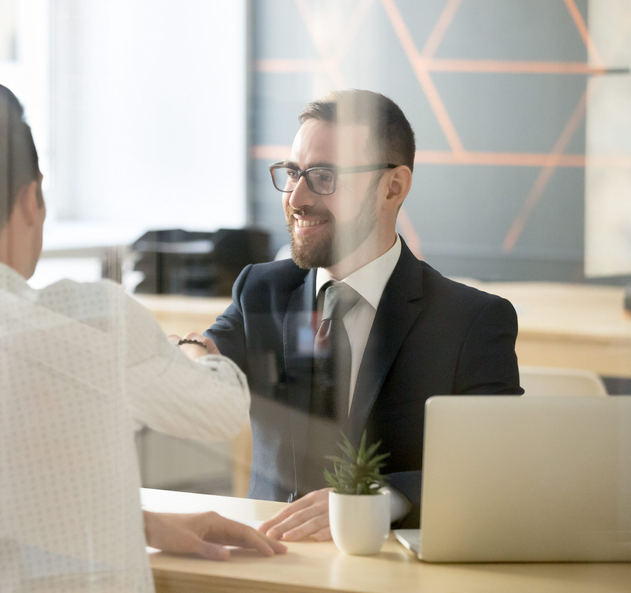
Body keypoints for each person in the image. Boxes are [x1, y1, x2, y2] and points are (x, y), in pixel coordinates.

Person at [0, 69, 285, 593]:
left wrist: (143, 524)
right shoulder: (90, 318)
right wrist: (196, 349)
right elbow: (223, 410)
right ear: (31, 199)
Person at [204, 90, 523, 539]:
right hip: (269, 564)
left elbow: (497, 466)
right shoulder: (261, 289)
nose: (296, 197)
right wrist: (191, 353)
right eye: (293, 172)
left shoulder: (471, 321)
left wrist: (379, 499)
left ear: (392, 187)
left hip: (393, 572)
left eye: (324, 176)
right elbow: (210, 352)